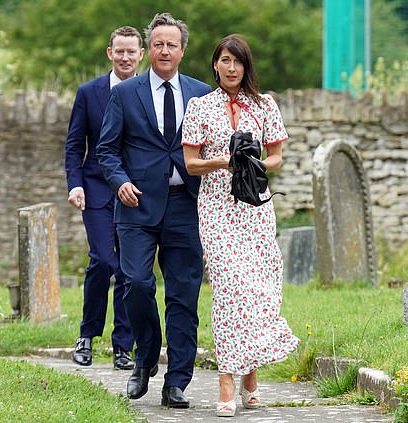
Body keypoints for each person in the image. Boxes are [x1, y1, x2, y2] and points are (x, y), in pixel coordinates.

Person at [181, 34, 300, 417]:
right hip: (217, 209)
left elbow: (278, 155)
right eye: (225, 60)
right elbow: (190, 164)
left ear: (246, 67)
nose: (231, 68)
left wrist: (253, 164)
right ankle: (227, 381)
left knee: (259, 289)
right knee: (229, 289)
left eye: (238, 62)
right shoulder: (199, 107)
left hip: (255, 208)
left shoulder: (265, 105)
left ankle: (251, 372)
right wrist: (223, 162)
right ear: (215, 64)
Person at [96, 13, 211, 408]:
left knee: (183, 296)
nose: (165, 50)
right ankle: (144, 359)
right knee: (137, 283)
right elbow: (106, 149)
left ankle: (177, 382)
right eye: (159, 44)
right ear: (149, 50)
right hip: (136, 206)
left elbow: (212, 148)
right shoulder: (126, 93)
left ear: (182, 50)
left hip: (186, 206)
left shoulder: (201, 94)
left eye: (172, 44)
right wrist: (119, 181)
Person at [64, 26, 145, 370]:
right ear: (109, 53)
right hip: (96, 189)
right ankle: (87, 334)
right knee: (102, 261)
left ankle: (123, 346)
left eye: (131, 52)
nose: (125, 57)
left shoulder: (149, 92)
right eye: (119, 51)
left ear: (141, 54)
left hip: (136, 192)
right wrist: (75, 184)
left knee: (129, 270)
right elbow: (73, 145)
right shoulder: (88, 92)